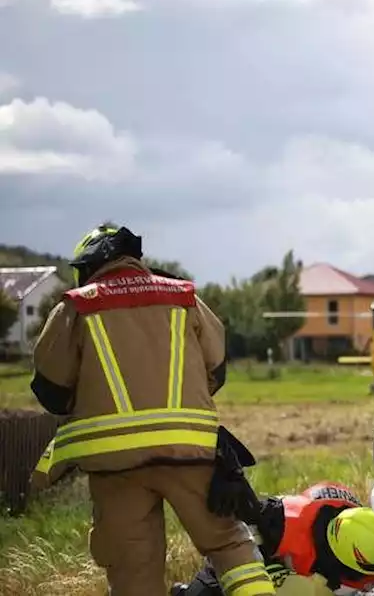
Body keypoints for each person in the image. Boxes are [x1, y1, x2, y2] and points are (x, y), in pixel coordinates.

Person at [29, 223, 275, 595]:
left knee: (133, 571)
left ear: (90, 264)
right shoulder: (184, 297)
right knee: (228, 544)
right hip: (189, 452)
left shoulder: (77, 306)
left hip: (115, 463)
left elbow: (50, 389)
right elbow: (216, 369)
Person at [173, 481, 374, 596]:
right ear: (339, 561)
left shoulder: (365, 536)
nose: (373, 582)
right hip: (278, 573)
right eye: (365, 578)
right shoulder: (279, 525)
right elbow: (230, 552)